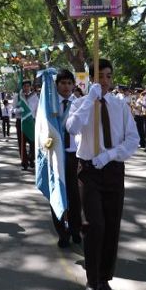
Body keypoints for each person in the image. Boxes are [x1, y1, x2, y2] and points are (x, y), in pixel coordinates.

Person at [66, 59, 139, 290]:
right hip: (89, 171)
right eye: (100, 77)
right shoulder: (80, 103)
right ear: (91, 79)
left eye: (108, 76)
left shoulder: (120, 106)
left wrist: (110, 155)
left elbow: (132, 140)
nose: (105, 81)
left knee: (111, 225)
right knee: (94, 225)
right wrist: (89, 99)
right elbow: (72, 127)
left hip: (113, 170)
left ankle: (105, 277)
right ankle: (92, 279)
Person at [50, 69, 82, 248]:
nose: (66, 86)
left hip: (74, 155)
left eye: (69, 83)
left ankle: (76, 230)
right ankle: (62, 233)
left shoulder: (79, 104)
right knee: (57, 195)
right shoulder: (50, 104)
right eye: (63, 83)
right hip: (55, 154)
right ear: (57, 85)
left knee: (75, 196)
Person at [14, 79, 38, 170]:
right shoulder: (18, 96)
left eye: (28, 86)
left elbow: (37, 109)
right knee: (22, 143)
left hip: (32, 121)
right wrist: (19, 110)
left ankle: (31, 158)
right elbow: (14, 109)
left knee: (33, 142)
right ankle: (24, 162)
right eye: (24, 86)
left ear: (30, 87)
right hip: (21, 121)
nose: (26, 88)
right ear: (22, 87)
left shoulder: (35, 96)